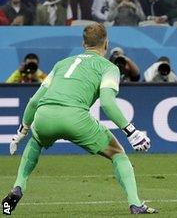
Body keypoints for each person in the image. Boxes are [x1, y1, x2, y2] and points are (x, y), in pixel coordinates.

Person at [1, 23, 156, 215]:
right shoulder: (109, 67)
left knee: (36, 141)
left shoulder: (62, 64)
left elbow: (34, 101)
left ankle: (18, 186)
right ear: (106, 43)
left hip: (44, 115)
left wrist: (22, 131)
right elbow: (107, 104)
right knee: (118, 154)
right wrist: (131, 132)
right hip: (75, 117)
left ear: (83, 43)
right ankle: (135, 204)